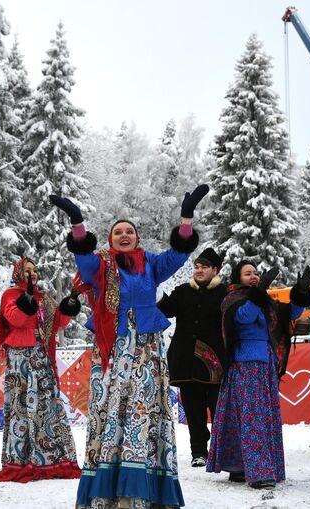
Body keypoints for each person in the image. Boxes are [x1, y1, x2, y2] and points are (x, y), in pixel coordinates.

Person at [50, 184, 207, 509]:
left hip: (147, 351)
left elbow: (179, 255)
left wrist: (186, 219)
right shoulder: (100, 266)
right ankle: (109, 489)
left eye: (129, 231)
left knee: (144, 414)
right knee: (111, 413)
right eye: (118, 231)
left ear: (137, 238)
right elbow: (82, 258)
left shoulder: (151, 263)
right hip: (112, 352)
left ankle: (146, 488)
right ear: (111, 239)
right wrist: (77, 224)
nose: (124, 235)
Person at [207, 260, 310, 489]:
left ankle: (239, 466)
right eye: (248, 274)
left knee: (257, 417)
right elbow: (244, 317)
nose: (254, 276)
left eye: (256, 273)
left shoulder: (264, 300)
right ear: (238, 277)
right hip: (245, 363)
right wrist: (259, 291)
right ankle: (258, 472)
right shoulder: (232, 299)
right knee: (252, 418)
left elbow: (290, 314)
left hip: (264, 364)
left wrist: (301, 292)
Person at [0, 257, 82, 483]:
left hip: (42, 358)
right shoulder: (11, 296)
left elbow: (57, 323)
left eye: (34, 270)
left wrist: (70, 304)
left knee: (45, 407)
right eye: (26, 270)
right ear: (17, 274)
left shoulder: (44, 297)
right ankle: (22, 459)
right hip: (22, 359)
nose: (32, 273)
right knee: (21, 407)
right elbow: (16, 319)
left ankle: (50, 457)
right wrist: (27, 300)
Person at [157, 247, 226, 468]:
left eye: (204, 266)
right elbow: (166, 309)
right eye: (196, 266)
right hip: (185, 359)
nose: (199, 270)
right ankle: (198, 452)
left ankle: (221, 450)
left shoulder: (225, 293)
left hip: (215, 360)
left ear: (216, 270)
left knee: (219, 409)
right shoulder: (183, 290)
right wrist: (155, 288)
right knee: (194, 411)